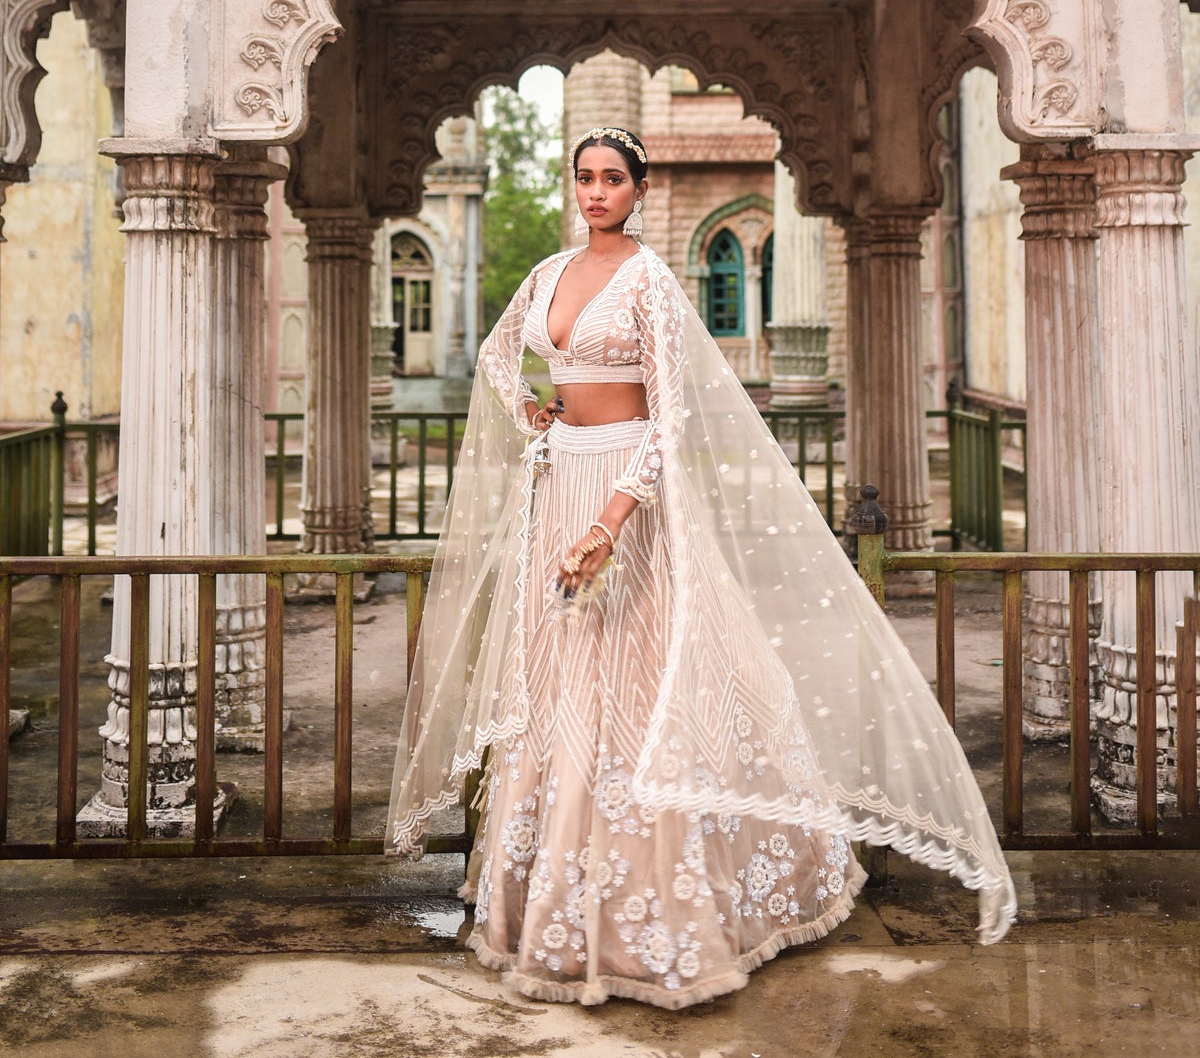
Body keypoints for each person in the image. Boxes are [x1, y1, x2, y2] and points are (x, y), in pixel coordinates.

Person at [389, 126, 1015, 1008]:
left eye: (612, 179)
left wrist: (612, 518)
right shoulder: (549, 274)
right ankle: (548, 900)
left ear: (639, 189)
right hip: (560, 480)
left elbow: (671, 416)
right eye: (586, 178)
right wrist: (533, 414)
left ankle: (663, 916)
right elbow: (500, 355)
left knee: (632, 681)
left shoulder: (649, 280)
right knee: (559, 679)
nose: (596, 192)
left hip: (627, 500)